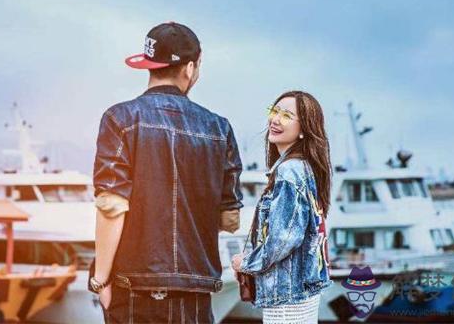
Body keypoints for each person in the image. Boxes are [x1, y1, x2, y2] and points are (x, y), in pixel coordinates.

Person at [89, 22, 244, 324]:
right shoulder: (219, 128)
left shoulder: (120, 118)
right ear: (190, 68)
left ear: (148, 64)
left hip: (133, 290)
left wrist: (101, 279)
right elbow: (229, 219)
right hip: (195, 293)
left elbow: (111, 207)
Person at [231, 90, 333, 324]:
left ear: (304, 129)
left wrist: (246, 263)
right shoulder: (306, 168)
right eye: (274, 111)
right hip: (302, 289)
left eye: (286, 115)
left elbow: (283, 239)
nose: (275, 119)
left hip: (287, 295)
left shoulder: (289, 171)